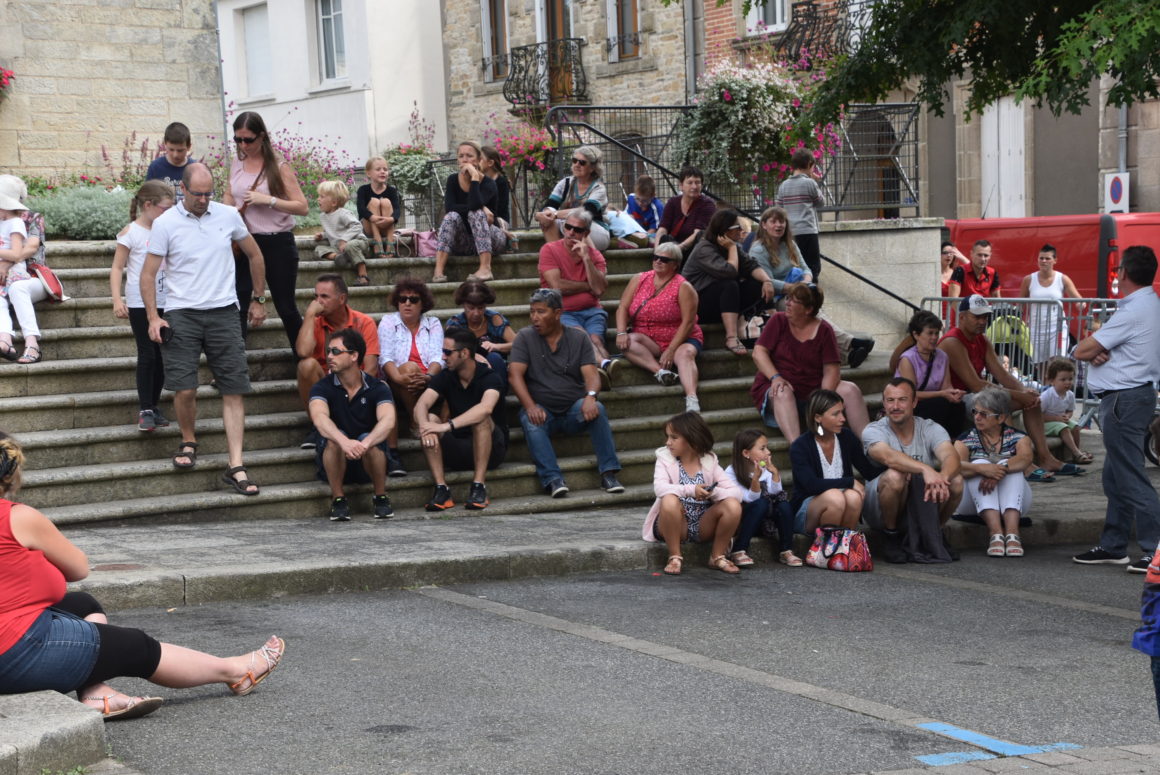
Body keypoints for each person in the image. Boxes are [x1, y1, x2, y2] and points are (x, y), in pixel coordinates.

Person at [0, 433, 285, 714]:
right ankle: (235, 671)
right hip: (12, 653)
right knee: (135, 646)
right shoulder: (17, 517)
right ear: (11, 475)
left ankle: (95, 692)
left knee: (83, 605)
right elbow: (78, 568)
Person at [142, 163, 268, 496]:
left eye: (208, 193)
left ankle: (236, 464)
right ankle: (188, 440)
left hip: (224, 311)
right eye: (197, 194)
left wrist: (258, 298)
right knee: (184, 388)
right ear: (182, 189)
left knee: (234, 388)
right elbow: (148, 274)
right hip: (182, 312)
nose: (202, 199)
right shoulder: (165, 223)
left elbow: (255, 255)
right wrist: (154, 317)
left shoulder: (228, 215)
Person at [1072, 245, 1160, 572]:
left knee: (1131, 477)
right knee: (1116, 477)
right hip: (1134, 397)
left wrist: (1095, 347)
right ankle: (1113, 545)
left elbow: (1081, 350)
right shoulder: (1150, 305)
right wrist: (1099, 348)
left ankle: (1155, 549)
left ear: (1123, 272)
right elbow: (1095, 349)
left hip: (1124, 399)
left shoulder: (1134, 310)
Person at [508, 288, 624, 498]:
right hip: (542, 410)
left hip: (573, 409)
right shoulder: (524, 337)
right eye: (532, 311)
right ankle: (553, 479)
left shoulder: (578, 337)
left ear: (557, 313)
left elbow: (592, 375)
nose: (535, 317)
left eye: (541, 312)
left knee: (597, 408)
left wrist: (590, 396)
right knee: (530, 420)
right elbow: (514, 375)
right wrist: (530, 406)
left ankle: (608, 473)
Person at [938, 294, 1069, 476]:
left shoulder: (982, 340)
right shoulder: (952, 341)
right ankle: (1018, 463)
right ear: (962, 317)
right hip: (955, 398)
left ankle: (1045, 457)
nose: (982, 321)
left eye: (985, 317)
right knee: (1000, 403)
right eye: (977, 317)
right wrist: (1018, 394)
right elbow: (975, 384)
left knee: (1032, 400)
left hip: (973, 395)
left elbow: (1002, 374)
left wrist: (1024, 391)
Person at [221, 111, 309, 349]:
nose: (243, 145)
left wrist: (268, 200)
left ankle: (304, 360)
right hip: (243, 241)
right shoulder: (237, 163)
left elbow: (302, 207)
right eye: (238, 139)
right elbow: (229, 192)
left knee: (285, 307)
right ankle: (235, 363)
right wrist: (228, 209)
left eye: (248, 139)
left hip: (276, 241)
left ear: (261, 137)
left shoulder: (278, 167)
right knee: (239, 301)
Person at [750, 283, 871, 441]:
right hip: (779, 386)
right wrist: (775, 377)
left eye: (794, 301)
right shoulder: (778, 320)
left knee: (850, 390)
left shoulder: (824, 330)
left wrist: (821, 401)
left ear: (808, 309)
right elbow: (759, 352)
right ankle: (797, 447)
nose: (787, 303)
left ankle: (870, 445)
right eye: (788, 298)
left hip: (813, 389)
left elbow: (831, 370)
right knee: (782, 390)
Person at [862, 377, 963, 564]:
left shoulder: (930, 428)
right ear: (883, 403)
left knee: (955, 481)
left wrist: (942, 477)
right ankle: (890, 536)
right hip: (881, 509)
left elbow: (951, 457)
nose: (895, 406)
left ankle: (935, 532)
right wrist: (925, 469)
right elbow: (888, 457)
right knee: (895, 476)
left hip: (922, 501)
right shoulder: (873, 430)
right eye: (890, 400)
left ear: (914, 402)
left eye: (902, 400)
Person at [413, 328, 507, 512]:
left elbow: (486, 408)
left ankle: (479, 486)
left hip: (491, 450)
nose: (443, 357)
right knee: (430, 418)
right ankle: (442, 489)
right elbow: (422, 404)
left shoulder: (489, 377)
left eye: (447, 352)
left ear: (464, 353)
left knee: (481, 419)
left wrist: (447, 426)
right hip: (457, 448)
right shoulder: (446, 376)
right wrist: (425, 426)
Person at [308, 329, 396, 521]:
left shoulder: (378, 387)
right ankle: (338, 499)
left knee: (370, 438)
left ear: (354, 356)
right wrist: (344, 442)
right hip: (334, 460)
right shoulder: (321, 387)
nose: (329, 357)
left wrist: (364, 444)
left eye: (336, 352)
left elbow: (388, 420)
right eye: (328, 351)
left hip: (369, 460)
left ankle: (381, 496)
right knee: (333, 438)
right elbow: (319, 418)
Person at [641, 412, 743, 575]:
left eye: (674, 437)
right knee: (669, 499)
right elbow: (659, 488)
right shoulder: (664, 458)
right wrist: (691, 490)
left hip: (703, 525)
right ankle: (675, 556)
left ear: (691, 439)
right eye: (667, 437)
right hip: (673, 523)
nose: (668, 442)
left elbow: (737, 493)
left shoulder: (709, 460)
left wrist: (713, 492)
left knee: (733, 505)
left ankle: (717, 556)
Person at [110, 180, 175, 431]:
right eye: (164, 208)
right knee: (147, 354)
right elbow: (117, 268)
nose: (168, 213)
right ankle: (145, 408)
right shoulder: (132, 232)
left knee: (161, 357)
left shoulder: (167, 229)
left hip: (168, 301)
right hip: (139, 303)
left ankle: (154, 405)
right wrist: (117, 299)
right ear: (148, 205)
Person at [612, 241, 704, 412]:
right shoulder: (639, 279)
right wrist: (621, 332)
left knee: (685, 354)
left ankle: (692, 398)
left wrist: (671, 349)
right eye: (655, 257)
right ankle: (661, 372)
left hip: (681, 338)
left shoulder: (683, 287)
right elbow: (623, 307)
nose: (658, 261)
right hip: (649, 338)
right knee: (627, 342)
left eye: (664, 259)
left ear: (675, 265)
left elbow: (688, 322)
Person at [953, 387, 1034, 558]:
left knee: (1010, 466)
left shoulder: (1019, 437)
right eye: (975, 412)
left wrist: (999, 471)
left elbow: (1025, 459)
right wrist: (981, 469)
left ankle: (1012, 533)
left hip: (1014, 501)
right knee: (979, 463)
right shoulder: (965, 439)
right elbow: (955, 467)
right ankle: (995, 533)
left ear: (1001, 417)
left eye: (984, 414)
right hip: (970, 502)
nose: (977, 417)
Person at [682, 208, 775, 357]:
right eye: (737, 227)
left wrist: (767, 281)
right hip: (697, 306)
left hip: (723, 303)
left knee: (758, 284)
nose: (741, 230)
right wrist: (731, 248)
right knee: (729, 284)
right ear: (725, 231)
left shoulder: (732, 246)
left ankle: (775, 328)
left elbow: (750, 265)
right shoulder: (704, 249)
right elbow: (729, 272)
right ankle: (731, 337)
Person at [789, 389, 882, 534]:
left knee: (853, 497)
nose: (843, 419)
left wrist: (898, 467)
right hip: (808, 511)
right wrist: (849, 482)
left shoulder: (846, 437)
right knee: (835, 497)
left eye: (842, 412)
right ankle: (826, 546)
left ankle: (843, 546)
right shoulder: (800, 446)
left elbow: (869, 471)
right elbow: (811, 485)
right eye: (835, 414)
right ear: (818, 417)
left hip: (842, 504)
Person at [376, 278, 444, 477]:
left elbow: (437, 357)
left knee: (418, 370)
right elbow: (385, 357)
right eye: (402, 299)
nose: (407, 303)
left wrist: (429, 377)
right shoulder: (389, 322)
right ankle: (416, 421)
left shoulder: (433, 323)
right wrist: (399, 378)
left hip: (427, 380)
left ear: (423, 304)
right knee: (409, 367)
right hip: (398, 381)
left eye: (413, 300)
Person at [537, 210, 614, 378]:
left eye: (577, 230)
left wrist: (586, 259)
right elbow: (557, 286)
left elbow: (599, 289)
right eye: (568, 227)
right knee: (582, 336)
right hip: (562, 311)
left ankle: (602, 371)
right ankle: (605, 365)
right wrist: (588, 286)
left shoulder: (594, 255)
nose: (571, 232)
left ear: (586, 233)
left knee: (596, 340)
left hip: (592, 311)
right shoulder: (549, 250)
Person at [296, 274, 379, 420]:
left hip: (357, 387)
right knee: (306, 365)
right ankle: (319, 424)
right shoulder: (314, 322)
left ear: (341, 299)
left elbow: (371, 368)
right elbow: (303, 352)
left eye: (324, 296)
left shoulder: (364, 322)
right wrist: (309, 315)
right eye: (316, 296)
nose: (318, 302)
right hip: (326, 387)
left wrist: (352, 397)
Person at [723, 428, 800, 568]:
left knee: (784, 505)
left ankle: (786, 550)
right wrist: (755, 480)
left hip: (767, 522)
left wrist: (775, 474)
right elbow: (750, 499)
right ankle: (739, 549)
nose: (768, 452)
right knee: (761, 503)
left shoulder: (765, 469)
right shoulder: (731, 472)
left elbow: (776, 494)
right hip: (746, 519)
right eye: (762, 448)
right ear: (746, 453)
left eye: (767, 447)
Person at [432, 141, 506, 283]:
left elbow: (474, 205)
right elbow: (450, 207)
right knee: (451, 216)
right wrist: (483, 207)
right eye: (461, 156)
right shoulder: (452, 180)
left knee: (476, 213)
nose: (465, 160)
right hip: (464, 241)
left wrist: (475, 179)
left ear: (478, 160)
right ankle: (438, 270)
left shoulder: (489, 183)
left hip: (492, 240)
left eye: (469, 156)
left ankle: (485, 268)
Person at [893, 309, 966, 437]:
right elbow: (911, 394)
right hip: (910, 404)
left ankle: (953, 441)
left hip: (935, 401)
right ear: (916, 335)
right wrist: (942, 394)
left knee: (958, 405)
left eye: (936, 333)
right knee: (939, 404)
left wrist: (954, 394)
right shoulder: (907, 359)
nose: (934, 337)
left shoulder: (942, 356)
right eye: (930, 333)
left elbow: (946, 386)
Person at [0, 174, 49, 365]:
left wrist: (6, 263)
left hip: (32, 277)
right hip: (5, 279)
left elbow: (30, 248)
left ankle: (32, 344)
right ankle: (5, 341)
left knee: (17, 288)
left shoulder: (31, 218)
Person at [1019, 243, 1082, 376]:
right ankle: (1046, 387)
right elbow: (1020, 303)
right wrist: (1019, 319)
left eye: (1047, 258)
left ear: (1055, 260)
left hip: (1057, 328)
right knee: (1041, 367)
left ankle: (1058, 387)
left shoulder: (1062, 279)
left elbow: (1078, 299)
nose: (1044, 261)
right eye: (1041, 258)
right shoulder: (1029, 279)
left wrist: (1080, 305)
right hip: (1036, 329)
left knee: (1057, 362)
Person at [534, 145, 611, 251]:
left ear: (593, 168)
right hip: (570, 228)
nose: (577, 165)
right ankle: (558, 255)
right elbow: (550, 205)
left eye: (582, 162)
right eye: (575, 161)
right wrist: (543, 215)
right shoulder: (565, 183)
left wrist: (555, 214)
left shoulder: (598, 188)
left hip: (596, 231)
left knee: (573, 222)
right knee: (548, 221)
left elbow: (586, 212)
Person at [444, 279, 515, 386]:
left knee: (494, 357)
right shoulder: (456, 323)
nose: (476, 313)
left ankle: (497, 394)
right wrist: (474, 356)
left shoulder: (494, 319)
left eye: (481, 308)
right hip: (466, 372)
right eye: (471, 308)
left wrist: (497, 346)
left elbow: (518, 344)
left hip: (495, 369)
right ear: (463, 305)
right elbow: (449, 352)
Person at [775, 148, 825, 278]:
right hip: (808, 231)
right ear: (809, 164)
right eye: (813, 166)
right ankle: (810, 289)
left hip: (790, 233)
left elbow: (778, 209)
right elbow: (821, 202)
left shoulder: (783, 185)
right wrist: (815, 182)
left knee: (794, 267)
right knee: (812, 267)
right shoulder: (810, 183)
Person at [748, 206, 812, 301]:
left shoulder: (791, 244)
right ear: (764, 225)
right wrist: (797, 288)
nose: (778, 225)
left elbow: (805, 268)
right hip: (775, 297)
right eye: (773, 222)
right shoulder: (758, 250)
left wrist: (806, 282)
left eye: (781, 221)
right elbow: (768, 281)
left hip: (797, 290)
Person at [314, 180, 371, 286]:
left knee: (350, 246)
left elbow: (357, 226)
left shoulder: (343, 214)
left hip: (358, 242)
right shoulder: (323, 217)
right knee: (318, 249)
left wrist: (344, 239)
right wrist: (322, 235)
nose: (318, 199)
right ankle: (338, 257)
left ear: (334, 202)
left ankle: (363, 276)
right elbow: (333, 232)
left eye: (322, 196)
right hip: (340, 248)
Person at [1039, 356, 1092, 464]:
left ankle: (1076, 452)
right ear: (1052, 381)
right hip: (1044, 424)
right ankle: (1077, 453)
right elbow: (1037, 416)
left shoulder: (1070, 395)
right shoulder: (1046, 396)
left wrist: (1067, 416)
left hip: (1060, 421)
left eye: (1070, 379)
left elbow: (1070, 410)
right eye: (1063, 380)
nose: (1067, 382)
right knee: (1064, 428)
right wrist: (1056, 418)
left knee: (1076, 427)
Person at [654, 166, 716, 255]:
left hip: (693, 250)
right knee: (664, 239)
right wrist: (657, 250)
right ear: (681, 185)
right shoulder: (672, 202)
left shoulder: (707, 204)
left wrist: (677, 249)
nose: (694, 186)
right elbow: (663, 229)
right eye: (690, 183)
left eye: (697, 182)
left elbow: (698, 234)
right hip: (673, 246)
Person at [355, 156, 401, 257]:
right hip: (370, 228)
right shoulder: (363, 190)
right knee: (374, 201)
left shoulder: (392, 190)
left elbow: (397, 209)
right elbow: (361, 209)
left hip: (386, 226)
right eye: (378, 169)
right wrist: (372, 217)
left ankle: (390, 241)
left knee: (386, 202)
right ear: (368, 173)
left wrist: (391, 219)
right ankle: (377, 240)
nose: (382, 172)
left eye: (385, 169)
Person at [146, 122, 196, 200]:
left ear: (189, 146)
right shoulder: (155, 167)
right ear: (165, 144)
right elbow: (147, 197)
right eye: (171, 149)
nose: (175, 155)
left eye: (180, 150)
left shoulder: (195, 168)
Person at [479, 145, 516, 248]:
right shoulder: (478, 180)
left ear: (490, 163)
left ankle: (505, 240)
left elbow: (500, 208)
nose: (477, 161)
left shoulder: (501, 182)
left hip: (498, 219)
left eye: (480, 159)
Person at [626, 174, 663, 239]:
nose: (640, 203)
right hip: (636, 232)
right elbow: (629, 218)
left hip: (650, 234)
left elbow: (654, 229)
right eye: (637, 199)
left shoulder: (657, 207)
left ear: (653, 196)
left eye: (644, 201)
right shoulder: (631, 198)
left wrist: (642, 237)